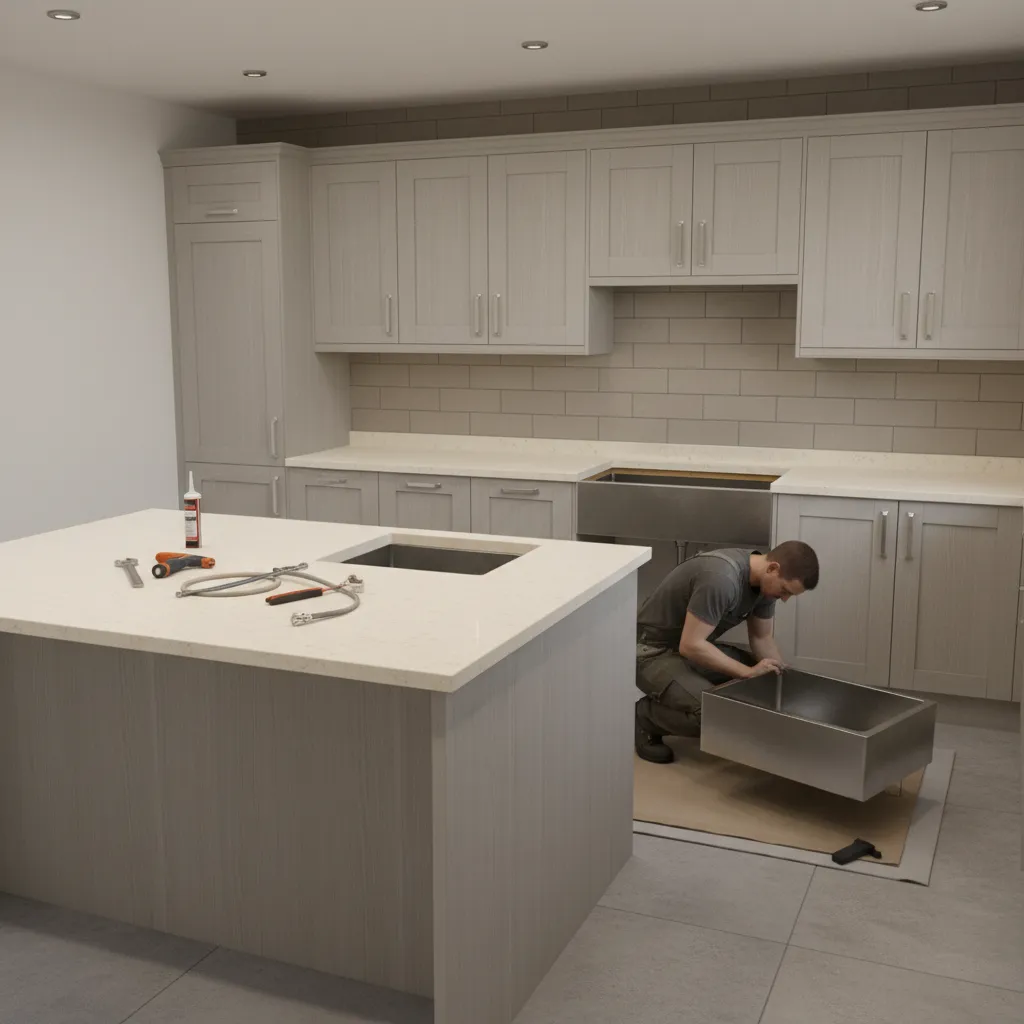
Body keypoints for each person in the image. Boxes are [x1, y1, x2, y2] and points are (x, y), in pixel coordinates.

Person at [634, 541, 819, 764]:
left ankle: (687, 698)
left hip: (686, 649)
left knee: (764, 680)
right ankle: (645, 717)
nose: (785, 599)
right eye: (785, 591)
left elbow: (762, 638)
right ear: (773, 568)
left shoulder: (765, 588)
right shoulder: (721, 579)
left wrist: (782, 683)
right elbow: (691, 645)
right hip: (650, 652)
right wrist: (747, 672)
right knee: (717, 712)